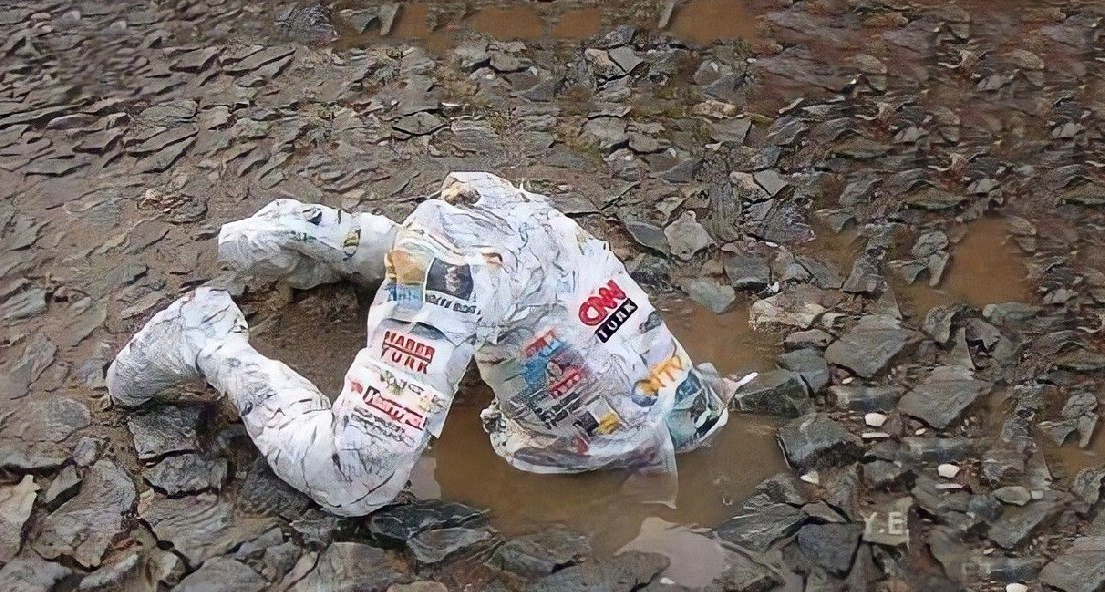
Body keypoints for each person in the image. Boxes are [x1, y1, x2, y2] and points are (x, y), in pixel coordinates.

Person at [106, 172, 751, 516]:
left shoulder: (685, 413)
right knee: (351, 476)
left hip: (508, 250)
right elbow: (460, 278)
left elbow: (464, 275)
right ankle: (206, 336)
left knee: (462, 281)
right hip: (494, 254)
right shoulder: (679, 415)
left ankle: (312, 232)